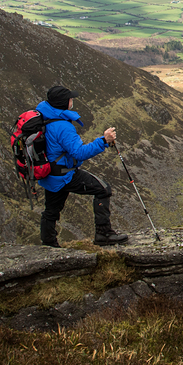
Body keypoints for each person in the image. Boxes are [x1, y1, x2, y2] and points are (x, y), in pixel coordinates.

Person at [37, 85, 129, 247]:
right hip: (65, 175)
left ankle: (49, 244)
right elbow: (79, 153)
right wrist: (103, 141)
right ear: (64, 102)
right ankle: (103, 234)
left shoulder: (45, 117)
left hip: (51, 174)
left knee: (51, 210)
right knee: (103, 189)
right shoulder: (63, 127)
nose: (72, 101)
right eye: (70, 99)